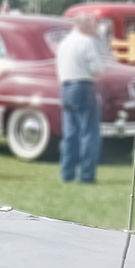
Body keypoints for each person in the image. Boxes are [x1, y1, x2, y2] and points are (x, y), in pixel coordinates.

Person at [54, 12, 104, 184]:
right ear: (83, 25)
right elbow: (96, 68)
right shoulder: (86, 42)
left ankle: (67, 173)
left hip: (66, 86)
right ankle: (86, 175)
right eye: (90, 23)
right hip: (83, 86)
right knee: (89, 133)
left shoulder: (64, 43)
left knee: (70, 133)